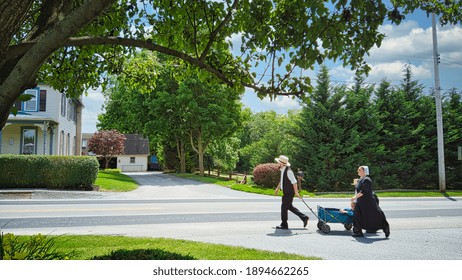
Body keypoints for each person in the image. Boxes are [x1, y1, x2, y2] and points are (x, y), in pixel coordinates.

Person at [351, 166, 390, 238]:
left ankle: (385, 227)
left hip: (368, 202)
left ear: (364, 171)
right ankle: (358, 232)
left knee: (376, 215)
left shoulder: (367, 180)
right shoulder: (360, 180)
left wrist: (355, 197)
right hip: (360, 202)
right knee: (356, 215)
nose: (358, 171)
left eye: (359, 170)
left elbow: (364, 191)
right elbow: (357, 190)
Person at [274, 155, 309, 230]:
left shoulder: (289, 171)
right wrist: (277, 188)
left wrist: (296, 193)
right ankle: (304, 217)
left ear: (283, 164)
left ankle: (284, 224)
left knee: (284, 207)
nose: (278, 164)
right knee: (289, 206)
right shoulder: (282, 169)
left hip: (289, 193)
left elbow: (294, 182)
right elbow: (282, 180)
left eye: (278, 162)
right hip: (286, 192)